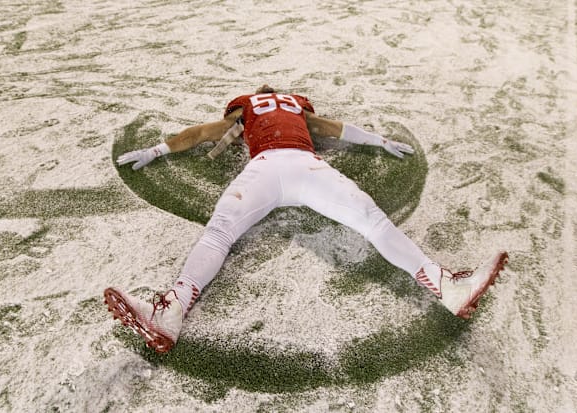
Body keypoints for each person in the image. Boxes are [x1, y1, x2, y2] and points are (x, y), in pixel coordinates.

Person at [104, 85, 508, 353]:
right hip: (305, 165)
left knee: (219, 235)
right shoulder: (293, 104)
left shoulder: (247, 108)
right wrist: (378, 140)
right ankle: (444, 286)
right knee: (374, 223)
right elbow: (331, 128)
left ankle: (172, 310)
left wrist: (158, 150)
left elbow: (204, 133)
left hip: (264, 169)